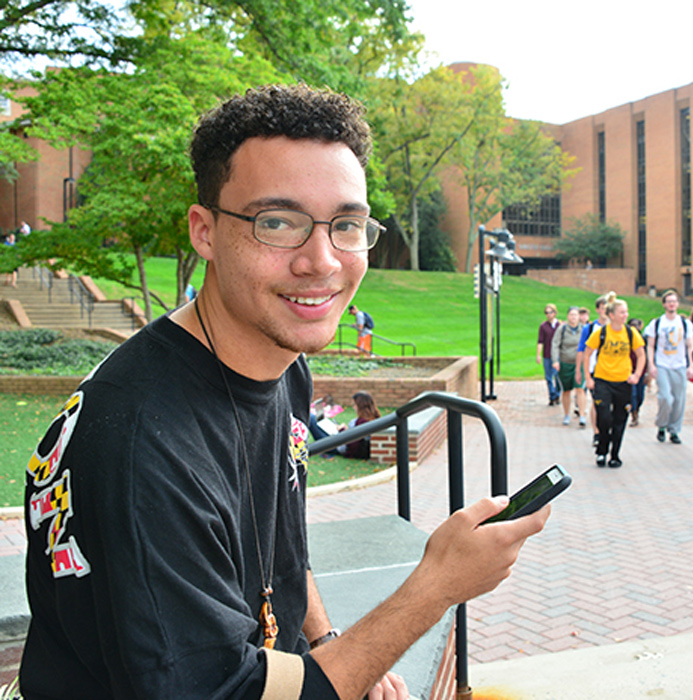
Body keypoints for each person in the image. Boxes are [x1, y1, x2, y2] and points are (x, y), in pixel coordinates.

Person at [20, 84, 550, 700]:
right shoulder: (144, 450)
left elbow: (280, 546)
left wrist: (330, 645)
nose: (321, 260)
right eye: (278, 223)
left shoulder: (280, 360)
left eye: (346, 225)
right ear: (205, 231)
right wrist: (437, 587)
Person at [583, 292, 645, 468]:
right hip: (603, 380)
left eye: (626, 312)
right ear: (612, 315)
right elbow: (587, 353)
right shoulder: (602, 333)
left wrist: (637, 375)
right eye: (622, 312)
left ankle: (615, 455)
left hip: (623, 382)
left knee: (620, 420)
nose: (625, 315)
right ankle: (602, 451)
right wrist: (588, 377)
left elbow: (641, 354)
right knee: (604, 417)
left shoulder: (631, 333)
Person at [644, 289, 693, 444]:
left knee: (679, 399)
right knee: (665, 397)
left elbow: (690, 346)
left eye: (674, 301)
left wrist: (691, 365)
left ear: (677, 304)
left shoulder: (685, 324)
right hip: (662, 365)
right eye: (669, 301)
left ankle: (674, 430)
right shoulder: (657, 324)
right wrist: (651, 365)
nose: (672, 304)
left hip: (679, 364)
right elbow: (650, 346)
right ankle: (661, 425)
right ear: (664, 304)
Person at [576, 295, 608, 449]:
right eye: (602, 308)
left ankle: (606, 430)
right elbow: (582, 350)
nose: (605, 312)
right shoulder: (590, 329)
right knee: (597, 403)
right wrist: (580, 371)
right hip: (595, 370)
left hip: (613, 372)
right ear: (597, 310)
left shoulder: (619, 328)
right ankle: (597, 431)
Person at [551, 306, 585, 426]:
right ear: (568, 316)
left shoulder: (583, 329)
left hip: (579, 363)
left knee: (580, 389)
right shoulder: (562, 329)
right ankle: (566, 414)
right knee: (566, 391)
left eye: (575, 315)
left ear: (579, 317)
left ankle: (582, 415)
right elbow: (555, 344)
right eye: (571, 315)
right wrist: (555, 360)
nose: (573, 317)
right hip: (565, 362)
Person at [536, 303, 561, 405]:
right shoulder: (543, 326)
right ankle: (552, 396)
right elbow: (540, 341)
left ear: (555, 313)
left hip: (558, 355)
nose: (548, 315)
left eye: (550, 312)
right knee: (549, 377)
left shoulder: (560, 325)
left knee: (558, 376)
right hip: (547, 354)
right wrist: (538, 354)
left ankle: (557, 394)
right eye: (546, 313)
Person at [628, 318, 648, 426]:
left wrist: (647, 373)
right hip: (629, 371)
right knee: (633, 394)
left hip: (641, 371)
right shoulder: (626, 339)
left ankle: (637, 409)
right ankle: (634, 414)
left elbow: (647, 357)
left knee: (640, 395)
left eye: (636, 325)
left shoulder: (643, 339)